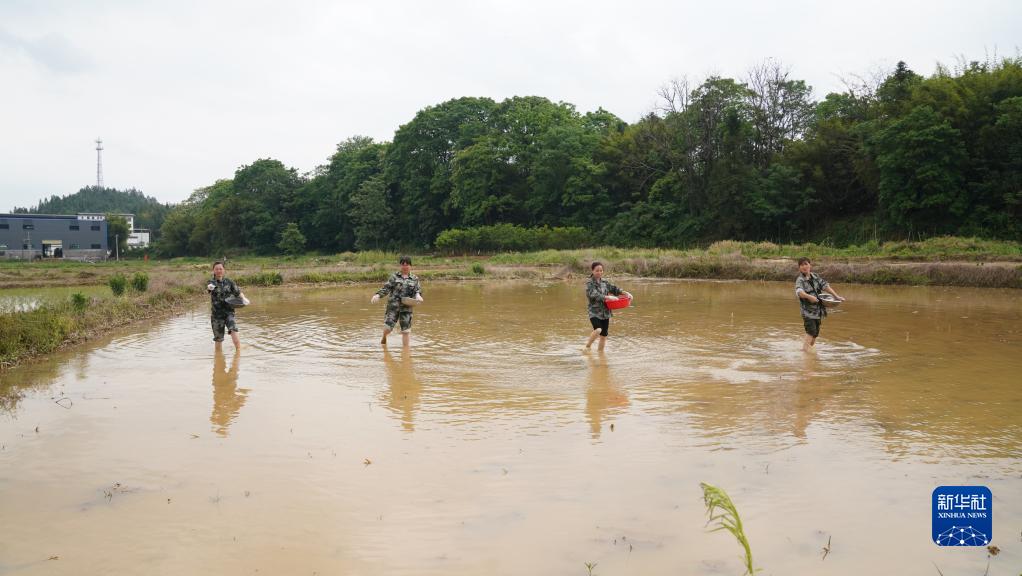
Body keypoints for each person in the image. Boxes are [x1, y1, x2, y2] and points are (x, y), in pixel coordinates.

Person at [794, 257, 844, 352]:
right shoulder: (800, 280)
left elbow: (825, 286)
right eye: (802, 265)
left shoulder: (815, 277)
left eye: (806, 264)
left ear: (810, 265)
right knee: (811, 332)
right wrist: (809, 297)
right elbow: (799, 292)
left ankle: (810, 351)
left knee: (815, 334)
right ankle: (804, 354)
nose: (804, 266)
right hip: (807, 312)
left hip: (818, 312)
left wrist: (836, 296)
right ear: (799, 268)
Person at [371, 255, 423, 346]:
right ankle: (384, 337)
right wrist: (378, 295)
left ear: (410, 266)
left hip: (407, 308)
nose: (405, 266)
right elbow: (386, 288)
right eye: (403, 264)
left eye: (407, 264)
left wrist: (418, 295)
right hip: (393, 307)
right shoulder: (394, 276)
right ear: (400, 265)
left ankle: (406, 352)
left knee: (406, 331)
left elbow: (417, 290)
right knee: (388, 328)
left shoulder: (415, 278)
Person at [585, 261, 632, 351]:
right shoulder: (589, 283)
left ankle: (601, 355)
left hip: (606, 312)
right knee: (598, 329)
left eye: (601, 270)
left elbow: (614, 289)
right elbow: (593, 294)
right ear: (592, 271)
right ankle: (588, 346)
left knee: (604, 336)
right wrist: (608, 297)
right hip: (594, 312)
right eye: (597, 270)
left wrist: (626, 293)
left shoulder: (605, 282)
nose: (599, 272)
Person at [207, 261, 246, 349]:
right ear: (213, 270)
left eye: (220, 269)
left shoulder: (229, 282)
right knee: (218, 339)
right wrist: (210, 288)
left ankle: (238, 352)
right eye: (216, 269)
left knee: (234, 330)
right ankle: (218, 359)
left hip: (229, 312)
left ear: (224, 270)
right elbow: (209, 288)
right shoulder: (211, 282)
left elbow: (238, 292)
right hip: (216, 315)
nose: (219, 271)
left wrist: (244, 299)